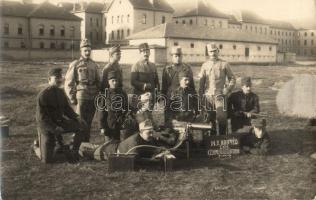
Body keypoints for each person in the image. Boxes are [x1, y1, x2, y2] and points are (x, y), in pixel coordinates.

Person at [34, 68, 85, 163]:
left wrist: (76, 117)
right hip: (47, 128)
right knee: (47, 160)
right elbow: (42, 119)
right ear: (49, 80)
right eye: (56, 77)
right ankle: (36, 146)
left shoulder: (60, 92)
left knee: (81, 126)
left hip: (60, 123)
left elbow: (67, 109)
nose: (59, 79)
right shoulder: (43, 95)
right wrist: (55, 128)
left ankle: (73, 150)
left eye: (60, 77)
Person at [64, 38, 100, 142]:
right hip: (82, 96)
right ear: (81, 51)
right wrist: (72, 98)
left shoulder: (94, 65)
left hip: (93, 96)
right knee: (80, 122)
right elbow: (68, 83)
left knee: (89, 122)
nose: (87, 52)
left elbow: (98, 81)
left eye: (89, 50)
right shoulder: (75, 64)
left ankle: (86, 144)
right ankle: (76, 145)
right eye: (85, 50)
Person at [199, 43, 236, 135]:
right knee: (207, 117)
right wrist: (201, 96)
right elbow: (201, 82)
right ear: (208, 53)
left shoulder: (224, 64)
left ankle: (222, 138)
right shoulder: (204, 65)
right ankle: (211, 139)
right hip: (208, 96)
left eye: (215, 51)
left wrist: (227, 90)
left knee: (222, 117)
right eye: (211, 51)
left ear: (218, 51)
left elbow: (232, 78)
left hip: (220, 95)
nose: (213, 53)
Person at [161, 46, 195, 123]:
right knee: (170, 120)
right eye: (175, 56)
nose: (177, 58)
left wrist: (193, 99)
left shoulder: (187, 68)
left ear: (182, 56)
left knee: (185, 118)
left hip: (184, 96)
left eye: (179, 56)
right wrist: (164, 98)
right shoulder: (167, 69)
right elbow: (164, 86)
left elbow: (192, 85)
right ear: (172, 57)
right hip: (171, 97)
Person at [99, 71, 128, 142]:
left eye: (116, 81)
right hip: (108, 124)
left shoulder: (122, 93)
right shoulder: (105, 94)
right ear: (109, 82)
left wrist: (123, 119)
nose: (115, 83)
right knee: (108, 146)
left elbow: (126, 107)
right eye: (113, 81)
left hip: (119, 124)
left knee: (118, 144)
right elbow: (101, 112)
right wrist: (102, 127)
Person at [131, 43, 160, 111]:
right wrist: (144, 85)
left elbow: (156, 82)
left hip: (151, 96)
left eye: (147, 51)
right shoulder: (136, 66)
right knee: (139, 117)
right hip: (140, 96)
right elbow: (133, 81)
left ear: (149, 53)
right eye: (143, 52)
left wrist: (157, 94)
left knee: (149, 115)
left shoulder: (153, 66)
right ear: (140, 53)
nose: (146, 54)